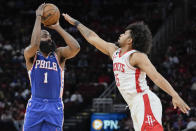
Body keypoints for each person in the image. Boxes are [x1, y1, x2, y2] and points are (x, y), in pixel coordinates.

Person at [62, 13, 190, 131]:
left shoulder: (136, 56)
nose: (121, 34)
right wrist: (75, 23)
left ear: (130, 41)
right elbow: (92, 37)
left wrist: (175, 95)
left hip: (144, 100)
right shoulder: (114, 52)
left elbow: (156, 77)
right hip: (134, 105)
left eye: (125, 34)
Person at [23, 4, 80, 131]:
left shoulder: (58, 55)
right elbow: (35, 43)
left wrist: (58, 27)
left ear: (51, 40)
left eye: (47, 34)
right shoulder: (30, 55)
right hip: (35, 105)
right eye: (41, 33)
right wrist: (38, 17)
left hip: (55, 106)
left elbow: (76, 48)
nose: (44, 33)